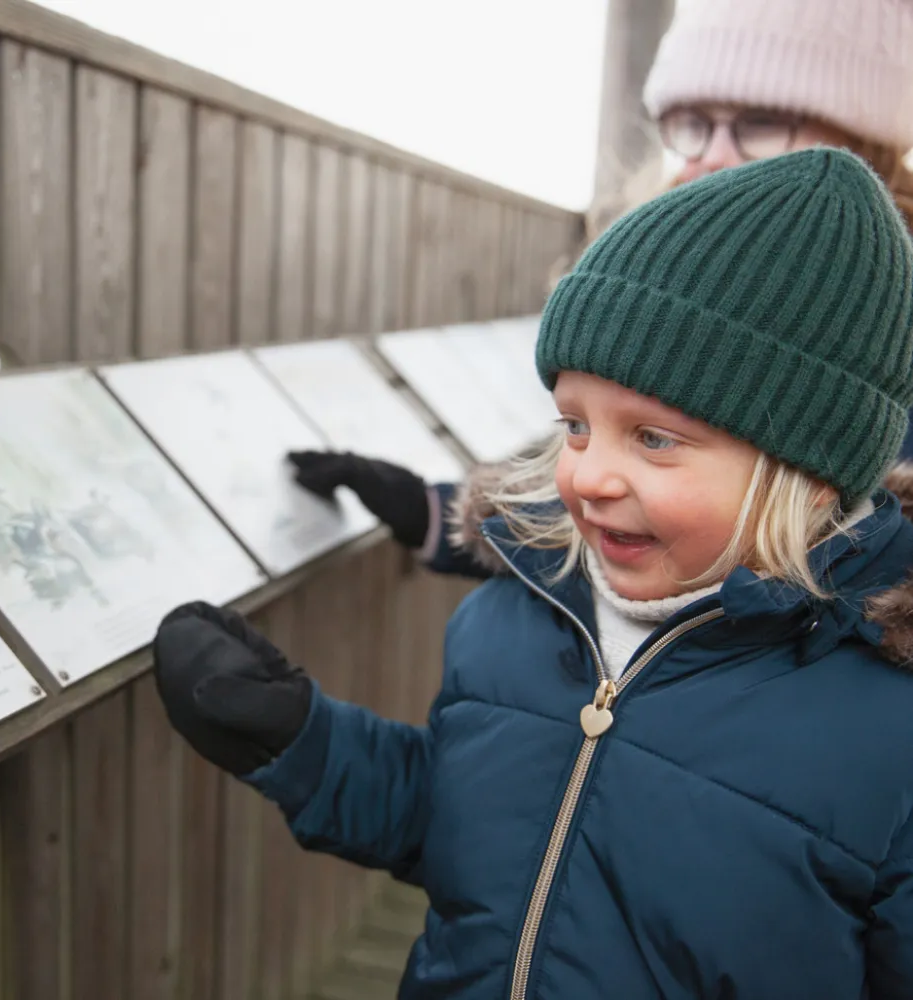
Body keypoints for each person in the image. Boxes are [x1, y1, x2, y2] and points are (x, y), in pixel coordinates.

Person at [151, 148, 913, 997]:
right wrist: (303, 742)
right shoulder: (512, 620)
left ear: (806, 475)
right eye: (574, 424)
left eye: (652, 437)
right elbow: (467, 833)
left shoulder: (887, 734)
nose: (585, 475)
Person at [289, 0, 913, 578]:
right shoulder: (657, 272)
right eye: (693, 123)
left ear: (865, 140)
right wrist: (436, 512)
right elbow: (624, 495)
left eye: (764, 122)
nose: (714, 157)